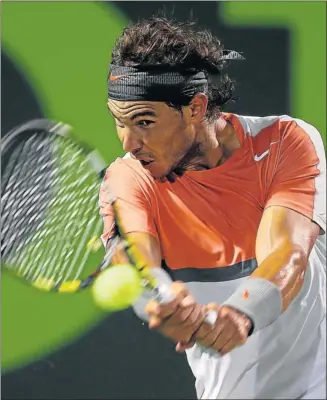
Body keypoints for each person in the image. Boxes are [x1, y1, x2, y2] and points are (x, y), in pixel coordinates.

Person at [100, 17, 326, 399]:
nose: (128, 143)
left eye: (144, 121)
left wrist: (242, 312)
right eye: (119, 122)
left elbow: (288, 252)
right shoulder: (128, 178)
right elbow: (134, 260)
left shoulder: (284, 141)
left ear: (195, 107)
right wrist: (160, 302)